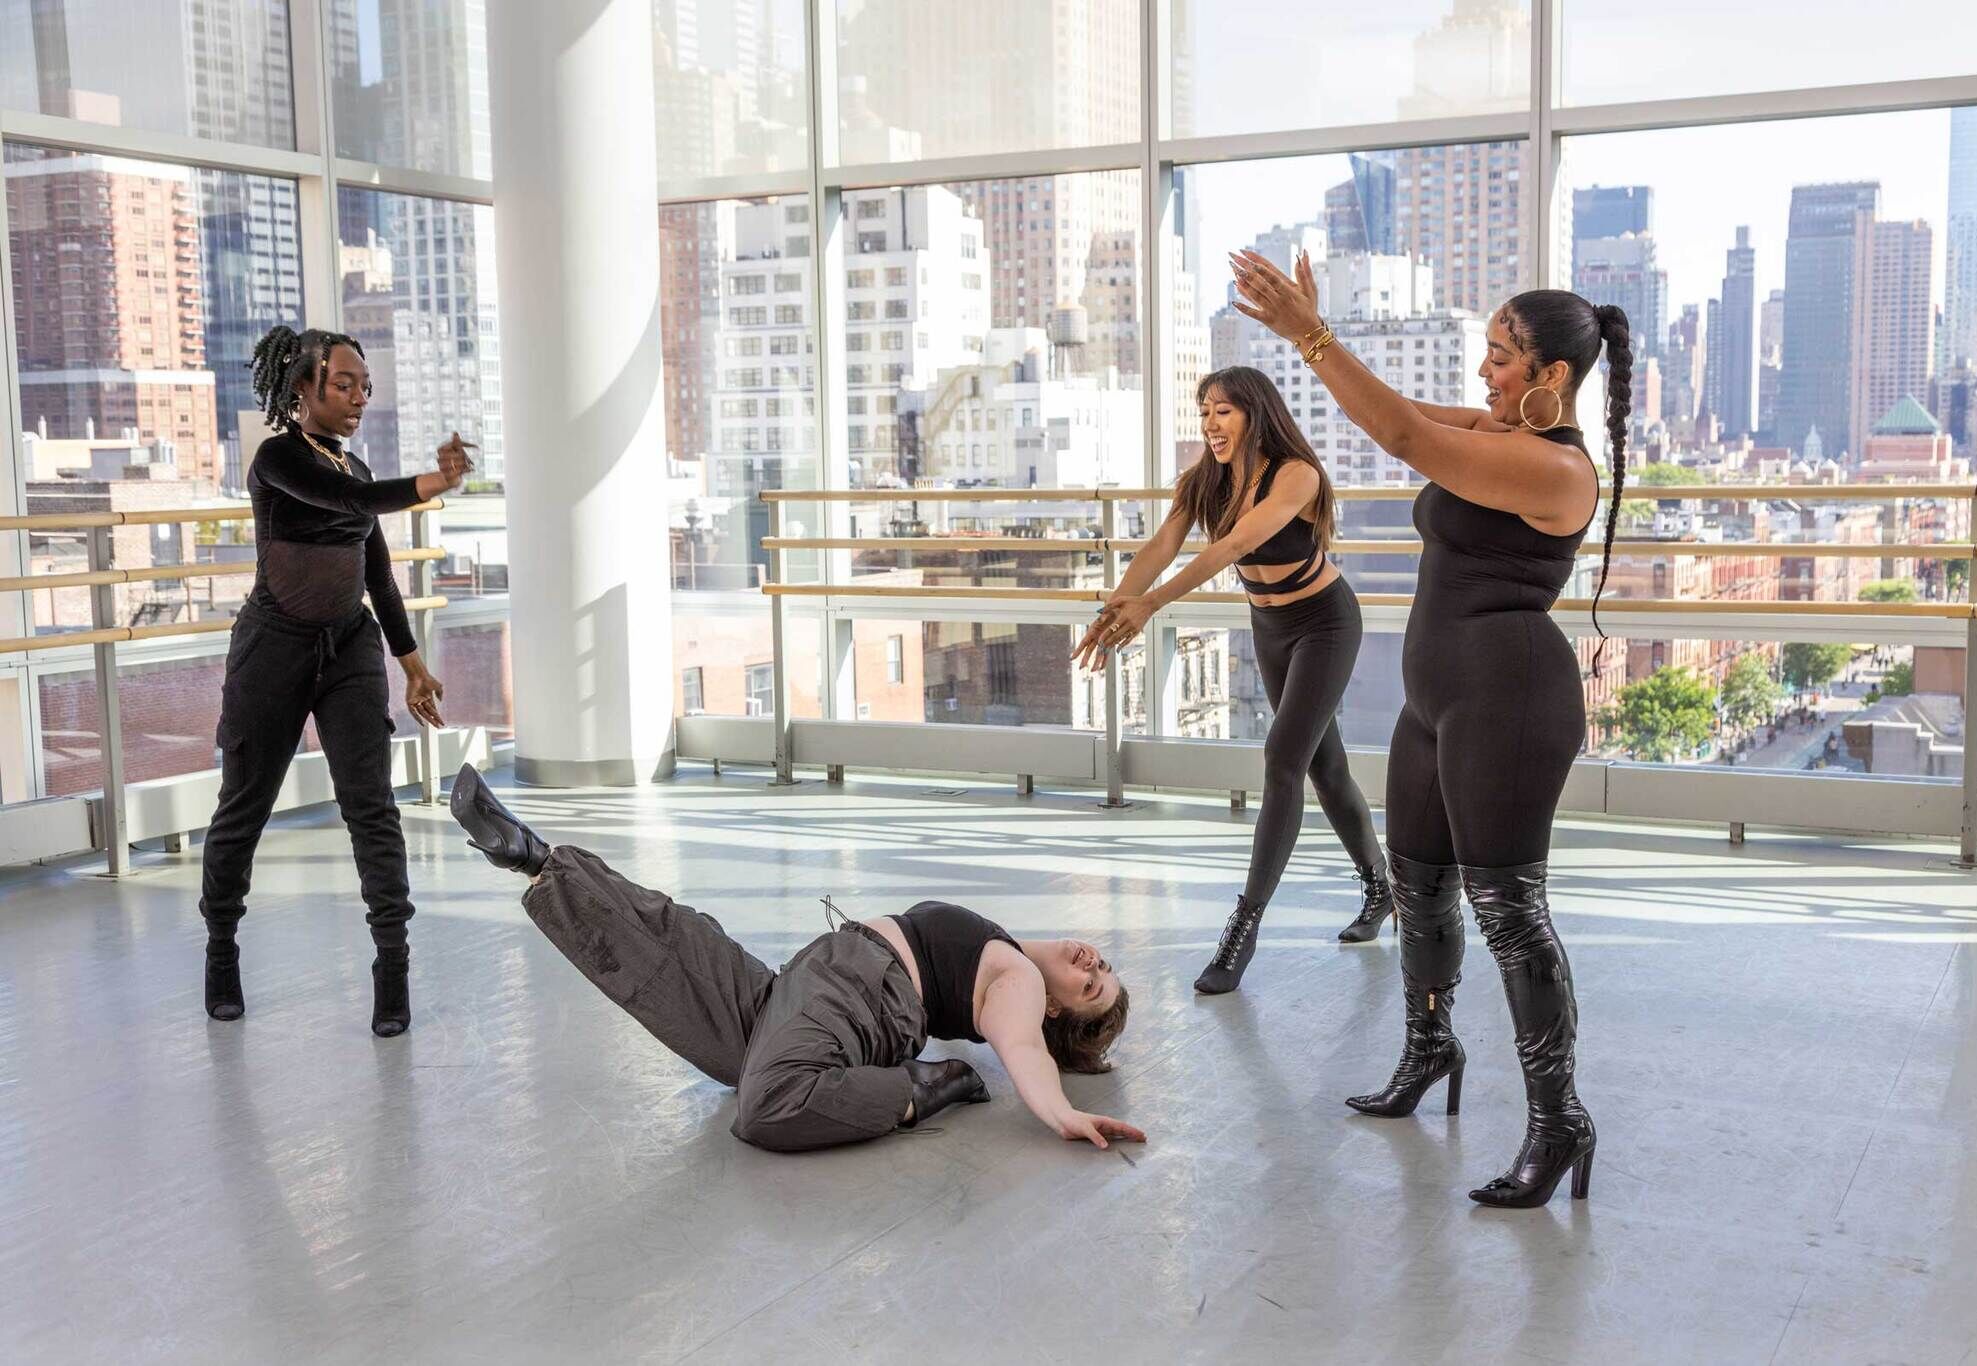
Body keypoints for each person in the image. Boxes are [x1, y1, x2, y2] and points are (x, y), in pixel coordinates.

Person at [1227, 248, 1627, 1209]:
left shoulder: (1558, 470)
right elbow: (1403, 412)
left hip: (1511, 703)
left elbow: (1402, 434)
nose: (1483, 373)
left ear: (1552, 378)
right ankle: (1429, 1048)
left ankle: (1558, 1119)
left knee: (1509, 914)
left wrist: (1307, 337)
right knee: (1418, 886)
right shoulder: (1495, 427)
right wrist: (1331, 342)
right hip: (1433, 704)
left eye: (1500, 356)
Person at [448, 766, 1144, 1154]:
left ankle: (919, 1088)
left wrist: (1060, 1114)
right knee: (678, 943)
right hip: (821, 985)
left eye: (1090, 987)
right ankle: (537, 860)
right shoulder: (1012, 947)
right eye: (1104, 965)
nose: (1091, 962)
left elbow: (1024, 1051)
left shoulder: (1019, 984)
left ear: (1056, 1008)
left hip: (860, 997)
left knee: (767, 1106)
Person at [1074, 365, 1394, 996]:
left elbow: (1228, 549)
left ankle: (1242, 929)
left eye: (1223, 411)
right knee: (1324, 768)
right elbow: (1163, 546)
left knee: (1281, 759)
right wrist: (1117, 606)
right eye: (1204, 412)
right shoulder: (1205, 481)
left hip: (1325, 623)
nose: (1210, 424)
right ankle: (1381, 889)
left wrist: (1153, 606)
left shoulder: (1295, 474)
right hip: (1270, 627)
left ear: (1255, 413)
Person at [198, 325, 472, 1036]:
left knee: (371, 807)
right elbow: (351, 505)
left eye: (364, 387)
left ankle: (393, 967)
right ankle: (221, 947)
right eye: (344, 384)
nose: (357, 398)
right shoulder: (278, 460)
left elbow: (376, 570)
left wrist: (411, 664)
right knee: (243, 806)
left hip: (349, 648)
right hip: (274, 649)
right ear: (303, 387)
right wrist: (432, 483)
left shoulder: (353, 467)